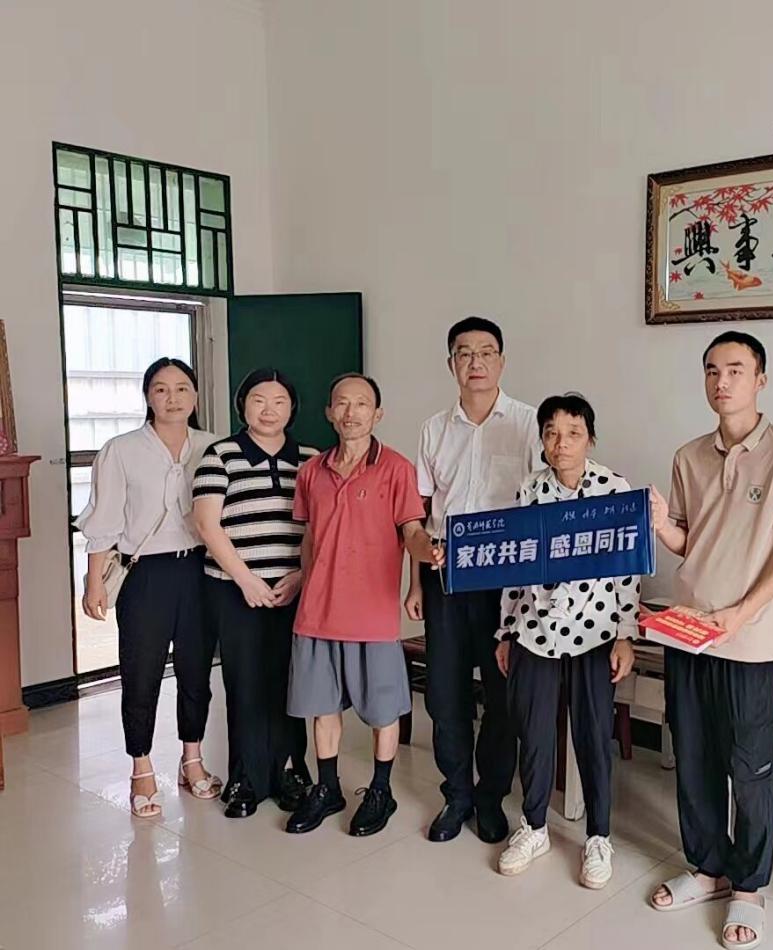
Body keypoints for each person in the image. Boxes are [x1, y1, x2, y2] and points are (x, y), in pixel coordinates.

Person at [648, 331, 773, 950]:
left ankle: (748, 885)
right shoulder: (688, 455)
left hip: (747, 641)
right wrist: (661, 525)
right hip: (688, 631)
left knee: (750, 768)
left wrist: (744, 612)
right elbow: (690, 541)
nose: (723, 382)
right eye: (713, 371)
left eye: (737, 370)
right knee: (693, 757)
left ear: (760, 380)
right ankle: (707, 868)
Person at [492, 392, 638, 888]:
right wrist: (506, 632)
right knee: (533, 733)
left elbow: (627, 570)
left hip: (595, 632)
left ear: (590, 439)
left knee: (593, 736)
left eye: (573, 433)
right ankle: (534, 827)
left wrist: (625, 636)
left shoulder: (614, 489)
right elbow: (514, 566)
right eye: (551, 433)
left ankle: (598, 836)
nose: (561, 443)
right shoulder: (529, 490)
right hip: (534, 631)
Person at [408, 316, 539, 844]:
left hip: (507, 581)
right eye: (464, 353)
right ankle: (457, 794)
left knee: (503, 694)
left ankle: (491, 797)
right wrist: (415, 583)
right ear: (451, 365)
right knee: (445, 694)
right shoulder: (433, 429)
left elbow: (543, 503)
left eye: (486, 352)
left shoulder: (529, 423)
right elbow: (417, 516)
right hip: (446, 575)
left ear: (502, 362)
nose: (476, 362)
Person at [284, 373, 431, 837]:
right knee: (322, 707)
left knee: (384, 709)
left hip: (372, 612)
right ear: (330, 413)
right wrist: (308, 582)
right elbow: (310, 536)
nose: (351, 412)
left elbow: (412, 532)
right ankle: (327, 788)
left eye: (362, 403)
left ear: (377, 414)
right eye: (342, 404)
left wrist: (426, 563)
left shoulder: (397, 469)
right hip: (318, 611)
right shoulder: (312, 471)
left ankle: (381, 791)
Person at [78, 357, 222, 819]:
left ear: (195, 397)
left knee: (196, 671)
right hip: (145, 574)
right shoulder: (121, 450)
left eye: (182, 389)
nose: (172, 398)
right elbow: (104, 520)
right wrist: (94, 581)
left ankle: (192, 758)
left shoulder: (214, 447)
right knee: (141, 672)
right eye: (161, 389)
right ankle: (141, 766)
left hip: (201, 570)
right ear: (147, 396)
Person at [193, 368, 317, 819]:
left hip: (293, 589)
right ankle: (245, 777)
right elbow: (207, 524)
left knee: (290, 682)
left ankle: (289, 771)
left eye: (279, 401)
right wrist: (246, 579)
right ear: (242, 405)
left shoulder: (310, 458)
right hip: (234, 590)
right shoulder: (220, 455)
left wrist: (300, 575)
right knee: (244, 682)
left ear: (292, 408)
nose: (269, 410)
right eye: (259, 400)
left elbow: (320, 526)